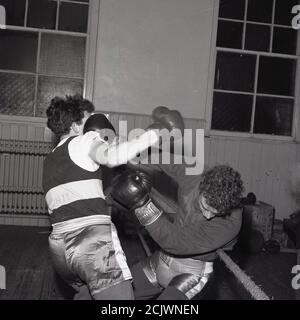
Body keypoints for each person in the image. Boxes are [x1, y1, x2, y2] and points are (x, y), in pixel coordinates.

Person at [42, 95, 185, 300]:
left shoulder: (52, 158)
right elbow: (111, 157)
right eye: (87, 120)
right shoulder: (84, 140)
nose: (94, 124)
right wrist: (156, 133)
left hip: (59, 251)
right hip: (90, 244)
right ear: (75, 126)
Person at [108, 162, 244, 300]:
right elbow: (165, 160)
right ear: (202, 188)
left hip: (191, 274)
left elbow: (175, 241)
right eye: (206, 207)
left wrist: (142, 206)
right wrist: (129, 151)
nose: (208, 216)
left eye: (216, 213)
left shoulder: (230, 222)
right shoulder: (194, 177)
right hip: (160, 260)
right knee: (115, 293)